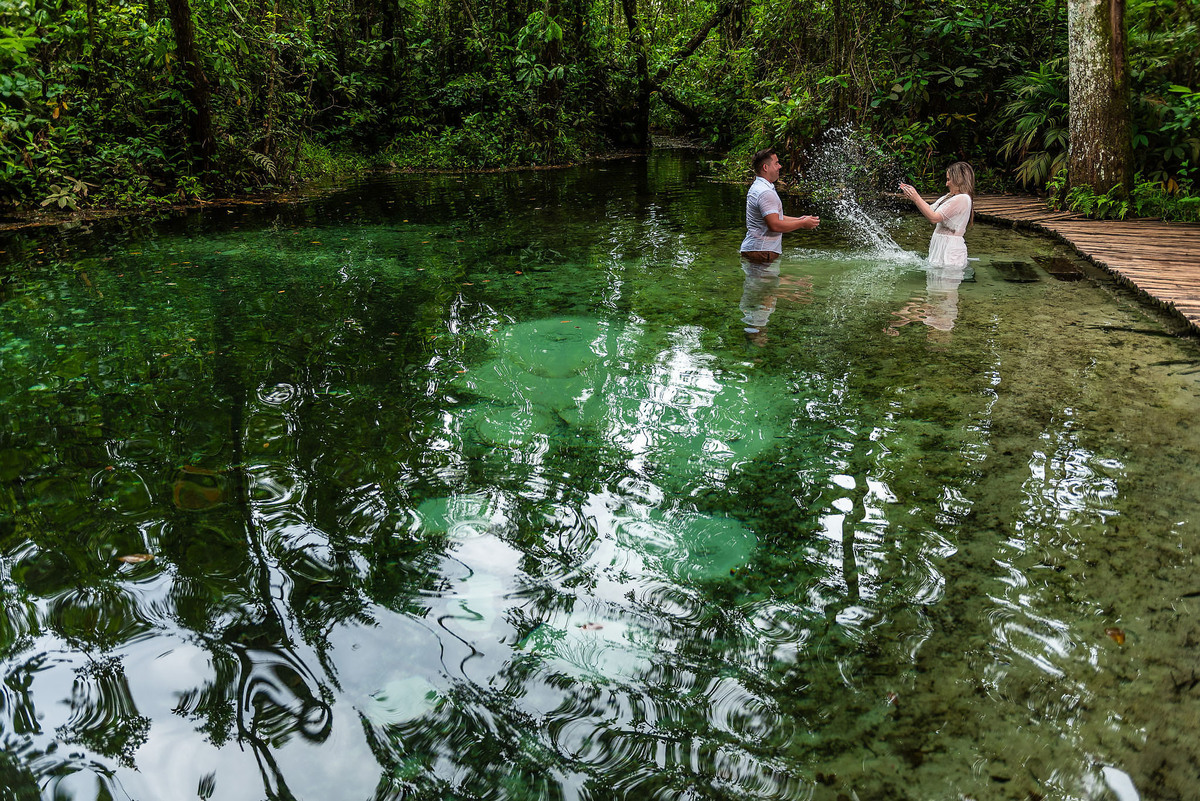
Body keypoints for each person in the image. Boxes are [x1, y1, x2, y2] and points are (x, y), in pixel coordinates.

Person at [740, 149, 820, 263]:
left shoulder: (760, 187)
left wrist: (799, 219)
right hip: (762, 252)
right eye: (776, 163)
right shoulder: (765, 192)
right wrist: (802, 224)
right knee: (768, 281)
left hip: (758, 250)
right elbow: (775, 225)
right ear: (765, 168)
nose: (780, 166)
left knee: (765, 280)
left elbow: (775, 217)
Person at [899, 162, 975, 267]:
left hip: (949, 248)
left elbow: (934, 218)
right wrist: (913, 195)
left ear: (959, 179)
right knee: (933, 282)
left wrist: (916, 197)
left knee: (945, 280)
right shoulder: (949, 196)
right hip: (940, 244)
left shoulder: (963, 198)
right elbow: (931, 209)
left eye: (948, 180)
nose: (946, 184)